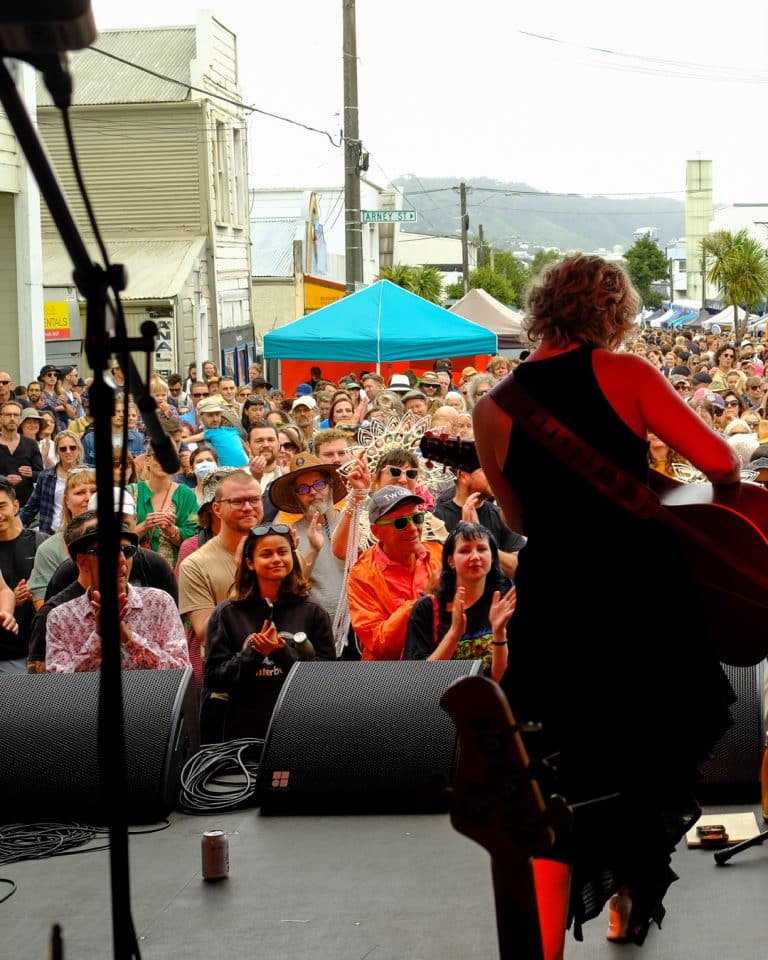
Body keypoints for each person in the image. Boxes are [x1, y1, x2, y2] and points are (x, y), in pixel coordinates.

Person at [474, 253, 738, 956]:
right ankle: (626, 906)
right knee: (644, 761)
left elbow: (522, 520)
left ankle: (547, 949)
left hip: (558, 606)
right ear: (613, 312)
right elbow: (724, 465)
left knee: (556, 777)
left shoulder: (493, 408)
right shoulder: (628, 375)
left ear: (539, 308)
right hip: (643, 601)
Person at [204, 522, 335, 739]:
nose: (276, 559)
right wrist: (253, 653)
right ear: (250, 563)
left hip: (299, 731)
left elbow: (327, 680)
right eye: (266, 554)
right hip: (242, 735)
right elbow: (214, 678)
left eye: (283, 552)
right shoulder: (227, 614)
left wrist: (282, 653)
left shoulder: (313, 612)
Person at [45, 522, 190, 673]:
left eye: (127, 551)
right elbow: (60, 687)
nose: (121, 560)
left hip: (154, 696)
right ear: (83, 562)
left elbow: (181, 672)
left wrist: (127, 636)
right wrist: (100, 636)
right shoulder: (60, 618)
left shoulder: (159, 603)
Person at [404, 521, 515, 682]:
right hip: (439, 702)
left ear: (492, 557)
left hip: (490, 702)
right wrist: (454, 633)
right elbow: (419, 679)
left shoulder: (504, 602)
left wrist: (499, 634)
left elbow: (500, 680)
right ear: (451, 561)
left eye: (482, 549)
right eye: (465, 550)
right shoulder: (427, 608)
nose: (475, 556)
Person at [346, 486, 443, 661]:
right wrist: (423, 601)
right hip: (389, 677)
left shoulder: (438, 555)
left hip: (443, 664)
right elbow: (380, 645)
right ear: (376, 531)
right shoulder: (361, 575)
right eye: (400, 522)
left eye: (417, 517)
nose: (413, 528)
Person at [26, 467, 97, 609]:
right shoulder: (49, 549)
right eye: (79, 493)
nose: (88, 498)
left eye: (94, 491)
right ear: (66, 501)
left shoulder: (122, 541)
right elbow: (43, 604)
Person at [130, 444, 199, 566]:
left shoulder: (186, 495)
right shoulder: (130, 492)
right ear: (147, 460)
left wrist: (172, 531)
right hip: (135, 570)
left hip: (173, 572)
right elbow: (116, 538)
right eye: (158, 457)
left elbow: (194, 541)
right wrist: (145, 526)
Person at [21, 430, 85, 533]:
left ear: (79, 449)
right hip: (51, 532)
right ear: (57, 451)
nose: (68, 451)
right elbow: (31, 507)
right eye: (63, 449)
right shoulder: (45, 476)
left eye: (72, 447)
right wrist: (14, 524)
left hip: (81, 531)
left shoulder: (89, 475)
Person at [0, 399, 43, 506]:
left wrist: (31, 474)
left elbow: (41, 474)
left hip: (26, 506)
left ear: (20, 419)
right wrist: (3, 479)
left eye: (16, 415)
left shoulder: (31, 444)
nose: (12, 419)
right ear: (1, 418)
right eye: (8, 415)